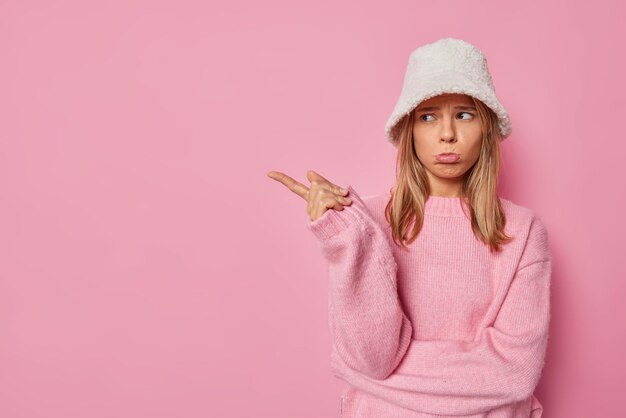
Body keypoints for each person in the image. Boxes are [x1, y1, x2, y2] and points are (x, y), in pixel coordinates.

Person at [267, 37, 551, 418]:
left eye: (464, 114)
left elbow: (515, 374)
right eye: (428, 116)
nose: (446, 133)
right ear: (409, 130)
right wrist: (347, 237)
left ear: (486, 127)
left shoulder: (523, 231)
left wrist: (380, 381)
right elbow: (373, 358)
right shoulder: (363, 220)